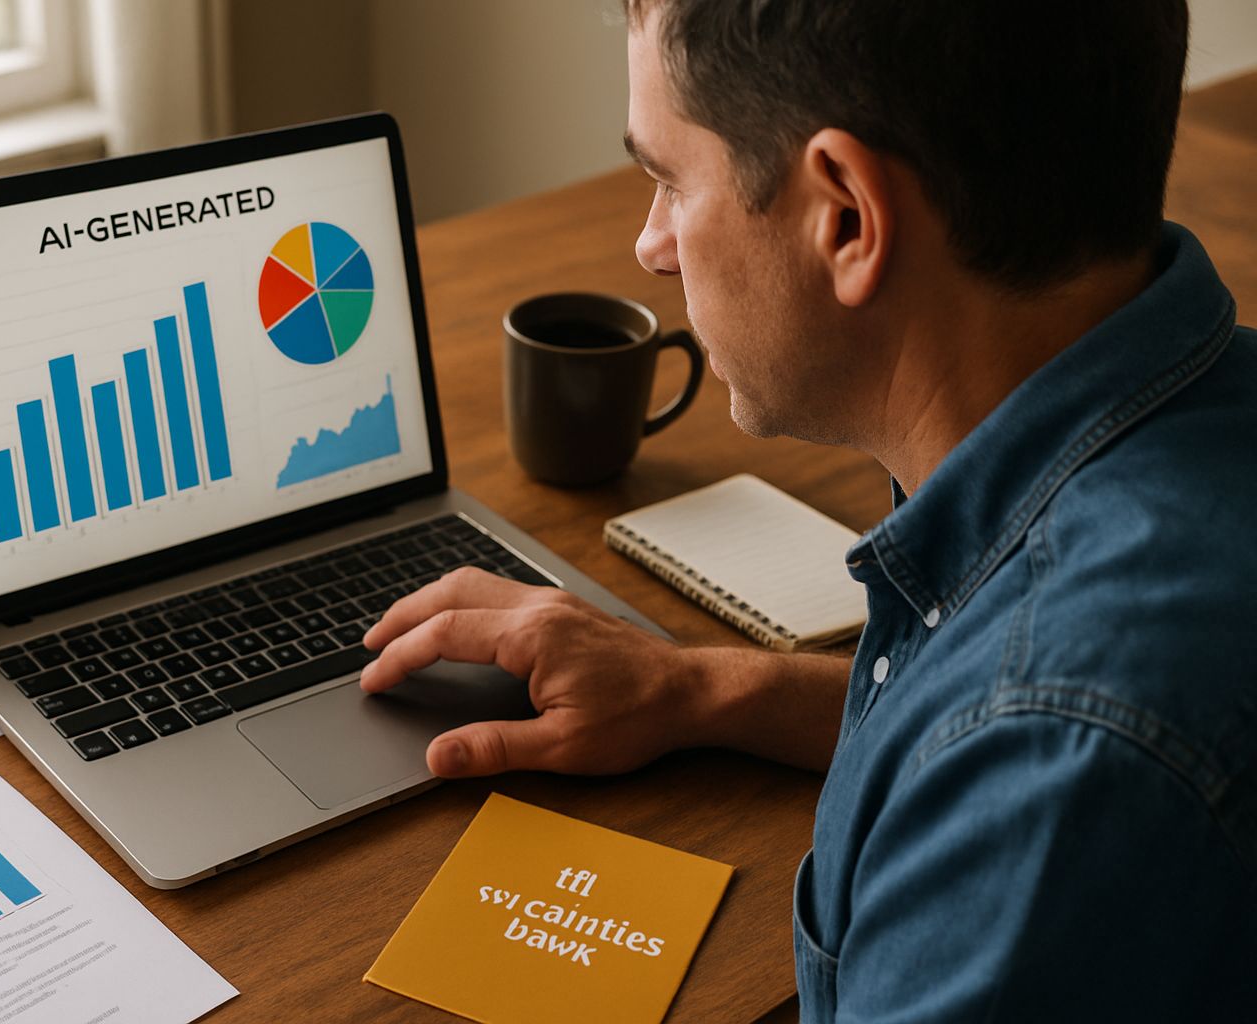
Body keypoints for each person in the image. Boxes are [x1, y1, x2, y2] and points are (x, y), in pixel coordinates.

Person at [362, 0, 1257, 1018]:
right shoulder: (1192, 418)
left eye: (666, 179)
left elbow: (1028, 742)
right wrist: (698, 688)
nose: (651, 244)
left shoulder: (1055, 785)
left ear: (846, 218)